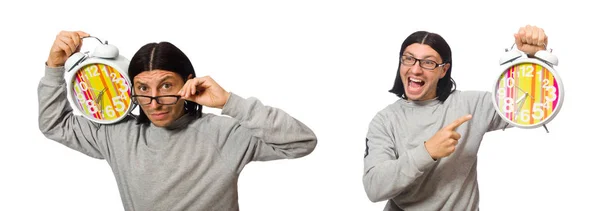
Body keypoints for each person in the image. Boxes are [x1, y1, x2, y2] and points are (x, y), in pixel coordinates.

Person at [39, 30, 317, 211]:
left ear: (187, 84)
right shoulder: (118, 135)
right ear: (131, 91)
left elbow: (301, 142)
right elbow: (54, 123)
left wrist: (229, 102)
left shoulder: (223, 134)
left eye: (167, 86)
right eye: (144, 89)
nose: (155, 101)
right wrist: (54, 67)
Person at [362, 25, 548, 210]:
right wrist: (427, 152)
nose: (416, 70)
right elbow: (374, 188)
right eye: (409, 59)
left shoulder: (470, 104)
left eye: (428, 62)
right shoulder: (384, 121)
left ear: (444, 70)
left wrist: (534, 58)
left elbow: (536, 105)